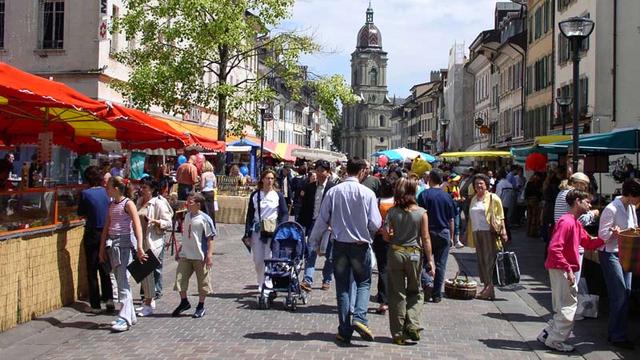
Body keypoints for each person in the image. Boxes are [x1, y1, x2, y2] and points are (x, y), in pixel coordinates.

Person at [308, 158, 381, 344]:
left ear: (346, 170)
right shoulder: (368, 193)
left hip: (339, 244)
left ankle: (344, 330)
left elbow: (322, 219)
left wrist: (314, 242)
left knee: (342, 288)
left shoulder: (333, 191)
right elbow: (375, 223)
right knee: (363, 282)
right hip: (359, 245)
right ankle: (360, 317)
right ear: (363, 172)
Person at [538, 190, 604, 352]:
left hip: (562, 267)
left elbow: (587, 242)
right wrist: (567, 269)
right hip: (562, 268)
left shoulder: (573, 222)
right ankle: (555, 340)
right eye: (587, 201)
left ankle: (547, 334)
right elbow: (555, 248)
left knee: (563, 305)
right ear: (577, 201)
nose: (590, 205)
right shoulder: (567, 222)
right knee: (568, 306)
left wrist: (607, 237)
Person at [380, 178, 434, 345]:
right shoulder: (422, 213)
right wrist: (430, 259)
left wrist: (387, 235)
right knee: (416, 291)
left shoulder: (392, 212)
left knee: (397, 293)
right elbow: (425, 238)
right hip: (414, 255)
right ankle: (412, 323)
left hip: (396, 252)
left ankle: (398, 334)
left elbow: (386, 235)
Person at [98, 177, 146, 332]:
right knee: (120, 280)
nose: (106, 189)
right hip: (112, 244)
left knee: (122, 282)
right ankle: (130, 315)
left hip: (123, 245)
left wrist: (139, 246)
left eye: (109, 186)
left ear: (116, 188)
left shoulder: (128, 203)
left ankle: (124, 318)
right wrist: (101, 248)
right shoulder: (112, 204)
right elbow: (107, 226)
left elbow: (137, 225)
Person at [597, 178, 640, 350]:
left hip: (625, 253)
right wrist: (614, 233)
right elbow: (602, 236)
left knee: (626, 292)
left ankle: (616, 332)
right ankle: (617, 335)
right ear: (630, 195)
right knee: (620, 294)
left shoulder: (630, 208)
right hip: (610, 253)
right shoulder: (611, 209)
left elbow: (633, 227)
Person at [242, 170, 289, 292]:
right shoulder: (255, 195)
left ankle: (267, 284)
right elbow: (250, 215)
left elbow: (284, 213)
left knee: (269, 257)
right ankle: (260, 280)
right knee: (258, 260)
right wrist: (247, 233)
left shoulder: (278, 195)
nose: (270, 181)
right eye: (267, 178)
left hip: (272, 231)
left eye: (272, 178)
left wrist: (280, 227)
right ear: (262, 179)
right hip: (257, 230)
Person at [171, 193, 216, 318]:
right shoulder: (187, 216)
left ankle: (201, 306)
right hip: (186, 254)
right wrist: (180, 250)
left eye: (190, 202)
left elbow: (210, 238)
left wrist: (209, 255)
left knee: (203, 283)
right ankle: (184, 302)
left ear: (198, 204)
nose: (187, 204)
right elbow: (186, 235)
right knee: (180, 279)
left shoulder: (205, 219)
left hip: (199, 256)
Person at [77, 166, 114, 314]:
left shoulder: (85, 193)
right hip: (106, 231)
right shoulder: (106, 192)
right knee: (104, 266)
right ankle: (109, 299)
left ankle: (95, 304)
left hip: (92, 232)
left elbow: (80, 212)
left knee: (92, 269)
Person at [135, 177, 173, 317]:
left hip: (153, 240)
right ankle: (147, 302)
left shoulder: (158, 203)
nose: (142, 189)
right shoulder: (139, 202)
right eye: (141, 186)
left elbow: (168, 222)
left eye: (145, 187)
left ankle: (149, 302)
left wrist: (155, 221)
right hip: (140, 241)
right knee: (142, 273)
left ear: (151, 189)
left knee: (147, 271)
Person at [466, 174, 507, 300]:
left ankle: (490, 288)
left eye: (481, 183)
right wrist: (465, 233)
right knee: (481, 261)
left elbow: (501, 216)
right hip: (476, 232)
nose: (478, 186)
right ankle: (486, 286)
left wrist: (504, 232)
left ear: (486, 184)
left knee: (489, 260)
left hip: (489, 233)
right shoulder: (474, 199)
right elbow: (470, 218)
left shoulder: (493, 198)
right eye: (476, 183)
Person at [417, 169, 455, 303]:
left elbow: (420, 215)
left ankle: (427, 282)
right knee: (441, 264)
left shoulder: (423, 195)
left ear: (430, 179)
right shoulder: (447, 196)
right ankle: (437, 294)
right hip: (443, 231)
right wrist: (452, 236)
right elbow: (451, 219)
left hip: (427, 232)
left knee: (422, 261)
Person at [299, 160, 336, 292]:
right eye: (318, 170)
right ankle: (308, 279)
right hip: (313, 223)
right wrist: (302, 225)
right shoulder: (310, 187)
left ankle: (326, 279)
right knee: (310, 252)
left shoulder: (333, 188)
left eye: (323, 171)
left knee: (330, 255)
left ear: (328, 173)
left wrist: (333, 224)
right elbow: (304, 208)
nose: (320, 173)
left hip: (329, 225)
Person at [372, 178, 395, 313]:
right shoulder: (397, 203)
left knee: (383, 268)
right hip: (395, 238)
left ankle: (383, 301)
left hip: (380, 237)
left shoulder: (377, 201)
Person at [495, 168, 515, 242]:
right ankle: (507, 235)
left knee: (502, 220)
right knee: (505, 220)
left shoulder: (500, 184)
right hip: (508, 204)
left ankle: (504, 235)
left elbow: (497, 195)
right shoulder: (509, 184)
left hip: (501, 204)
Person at [524, 172, 543, 237]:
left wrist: (526, 199)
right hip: (535, 201)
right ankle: (533, 232)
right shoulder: (537, 183)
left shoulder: (529, 183)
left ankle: (529, 232)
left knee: (529, 216)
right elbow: (539, 193)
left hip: (529, 200)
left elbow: (526, 192)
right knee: (534, 217)